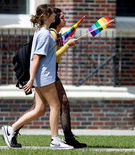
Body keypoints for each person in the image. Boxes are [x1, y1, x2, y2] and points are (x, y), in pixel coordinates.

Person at [2, 4, 73, 149]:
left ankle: (11, 129)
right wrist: (32, 79)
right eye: (53, 13)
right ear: (47, 16)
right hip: (45, 76)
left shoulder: (42, 32)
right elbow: (36, 58)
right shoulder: (44, 34)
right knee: (56, 105)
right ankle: (55, 140)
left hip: (43, 76)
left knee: (39, 109)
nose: (55, 15)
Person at [49, 8, 87, 148]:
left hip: (52, 72)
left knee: (39, 108)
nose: (66, 20)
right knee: (61, 103)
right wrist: (66, 46)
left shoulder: (57, 35)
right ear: (56, 20)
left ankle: (13, 130)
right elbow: (53, 57)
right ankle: (67, 138)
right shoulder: (52, 35)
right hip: (49, 73)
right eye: (63, 17)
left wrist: (64, 42)